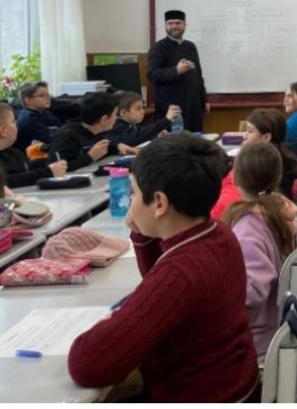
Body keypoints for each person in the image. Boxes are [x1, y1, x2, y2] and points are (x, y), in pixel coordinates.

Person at [68, 134, 259, 402]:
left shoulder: (181, 272)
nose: (131, 201)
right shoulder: (217, 233)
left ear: (159, 202)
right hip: (235, 384)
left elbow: (88, 364)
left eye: (134, 193)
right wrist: (143, 232)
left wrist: (110, 328)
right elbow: (158, 282)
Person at [221, 141, 297, 358]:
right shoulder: (277, 213)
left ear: (235, 177)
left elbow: (252, 293)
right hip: (271, 323)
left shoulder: (248, 230)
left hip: (255, 337)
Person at [213, 109, 297, 217]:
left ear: (266, 137)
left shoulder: (263, 166)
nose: (245, 136)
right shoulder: (283, 157)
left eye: (250, 131)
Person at [147, 10, 208, 133]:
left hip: (193, 106)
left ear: (184, 25)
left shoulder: (191, 46)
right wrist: (176, 70)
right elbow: (153, 75)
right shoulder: (157, 48)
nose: (174, 26)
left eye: (178, 23)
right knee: (174, 142)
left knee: (194, 140)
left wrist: (204, 99)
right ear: (165, 26)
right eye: (170, 23)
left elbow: (198, 75)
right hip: (171, 107)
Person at [48, 92, 136, 171]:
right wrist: (90, 157)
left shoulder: (96, 129)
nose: (117, 118)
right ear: (104, 119)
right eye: (115, 114)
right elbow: (56, 168)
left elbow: (96, 148)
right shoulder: (66, 137)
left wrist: (116, 147)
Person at [0, 103, 68, 187]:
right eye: (13, 122)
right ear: (3, 130)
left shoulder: (14, 153)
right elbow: (6, 180)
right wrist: (49, 172)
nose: (17, 125)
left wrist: (49, 161)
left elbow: (25, 168)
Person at [108, 91, 179, 148]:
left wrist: (156, 135)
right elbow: (137, 137)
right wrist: (166, 120)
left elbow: (142, 132)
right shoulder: (117, 126)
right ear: (124, 112)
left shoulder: (131, 125)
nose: (143, 111)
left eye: (142, 108)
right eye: (138, 108)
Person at [14, 80, 61, 151]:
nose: (48, 98)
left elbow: (60, 127)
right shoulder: (29, 118)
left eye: (48, 95)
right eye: (42, 96)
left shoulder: (43, 112)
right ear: (28, 100)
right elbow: (51, 138)